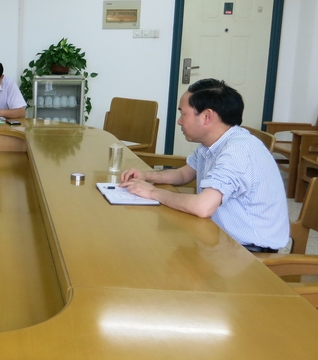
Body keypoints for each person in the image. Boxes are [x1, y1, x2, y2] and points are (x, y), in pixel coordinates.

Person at [120, 78, 289, 253]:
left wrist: (152, 192)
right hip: (218, 238)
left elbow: (202, 207)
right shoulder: (213, 144)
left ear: (207, 116)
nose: (179, 121)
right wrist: (146, 176)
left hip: (247, 253)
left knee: (149, 250)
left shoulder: (237, 151)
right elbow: (183, 174)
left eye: (183, 114)